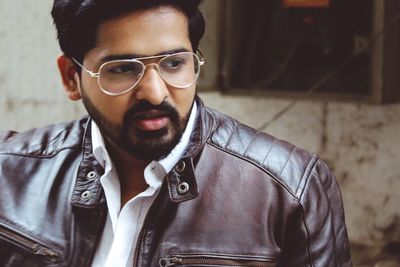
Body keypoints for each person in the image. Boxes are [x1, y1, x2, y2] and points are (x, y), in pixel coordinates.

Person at [0, 0, 352, 266]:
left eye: (173, 63)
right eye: (122, 69)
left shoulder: (289, 189)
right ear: (70, 78)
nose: (154, 92)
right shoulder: (10, 173)